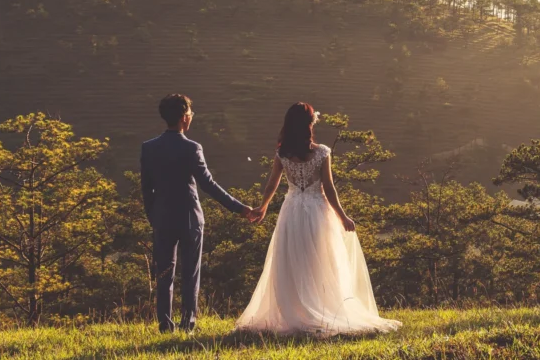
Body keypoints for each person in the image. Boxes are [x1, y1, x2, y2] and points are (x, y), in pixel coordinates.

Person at [235, 102, 401, 336]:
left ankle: (297, 311)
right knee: (321, 259)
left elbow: (272, 183)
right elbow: (328, 187)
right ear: (309, 125)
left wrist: (263, 207)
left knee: (293, 260)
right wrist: (342, 216)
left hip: (291, 210)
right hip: (317, 211)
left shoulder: (282, 154)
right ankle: (322, 308)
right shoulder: (322, 152)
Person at [140, 94, 257, 333]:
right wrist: (240, 208)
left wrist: (153, 216)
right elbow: (208, 185)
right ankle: (188, 324)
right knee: (190, 272)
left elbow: (146, 188)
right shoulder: (192, 148)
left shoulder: (149, 148)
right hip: (190, 217)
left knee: (164, 273)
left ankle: (165, 324)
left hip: (162, 217)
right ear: (185, 118)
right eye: (191, 113)